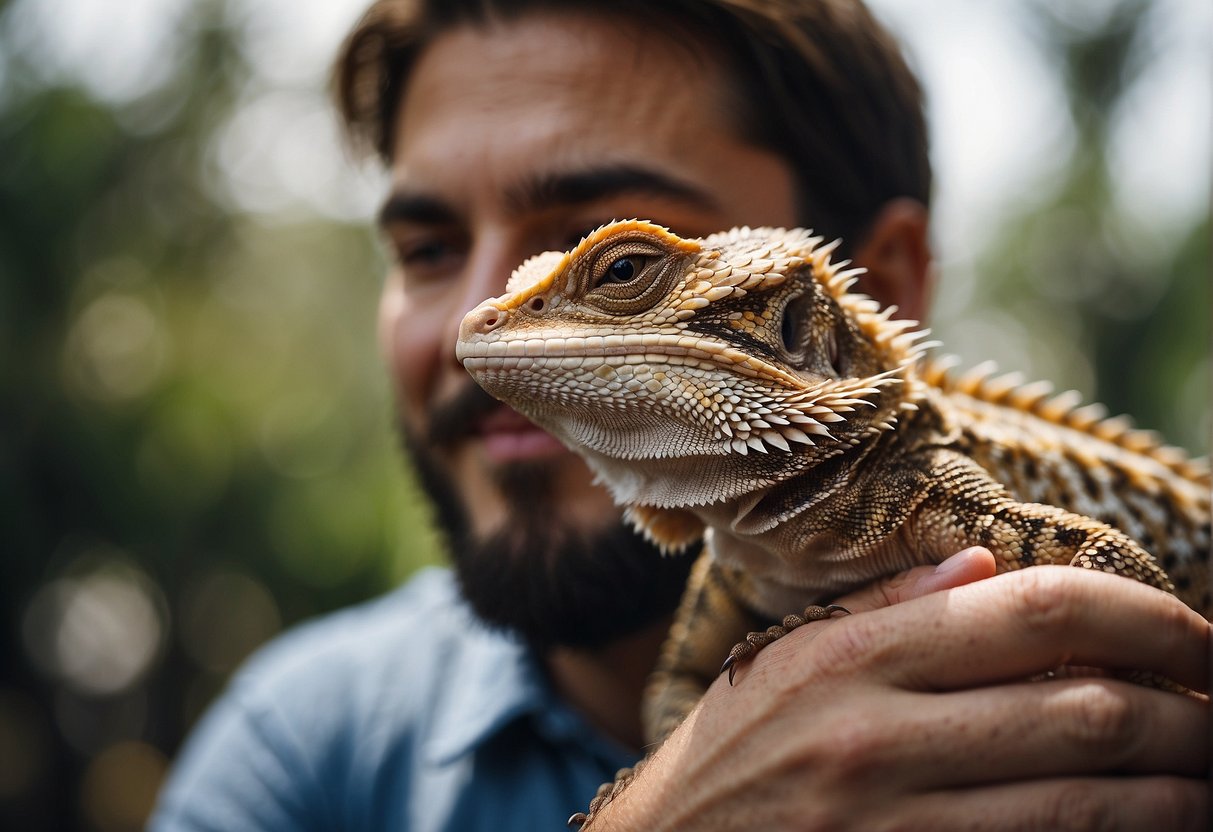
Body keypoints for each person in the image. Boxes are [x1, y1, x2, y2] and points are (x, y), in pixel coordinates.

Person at [150, 1, 1210, 829]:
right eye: (426, 249)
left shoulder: (917, 488)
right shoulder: (302, 743)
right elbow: (678, 721)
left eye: (615, 261)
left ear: (823, 313)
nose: (472, 326)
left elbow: (1128, 594)